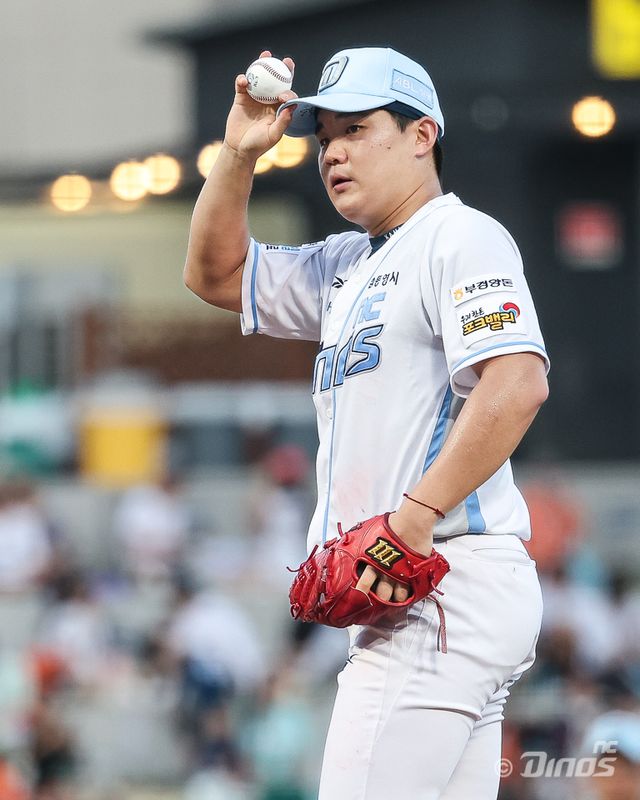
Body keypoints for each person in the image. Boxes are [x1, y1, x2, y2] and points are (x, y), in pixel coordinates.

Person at [185, 45, 550, 800]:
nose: (334, 152)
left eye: (356, 129)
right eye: (325, 137)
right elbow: (215, 274)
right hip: (432, 591)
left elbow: (517, 384)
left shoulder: (458, 235)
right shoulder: (344, 264)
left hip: (439, 580)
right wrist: (240, 153)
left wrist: (414, 520)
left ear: (422, 135)